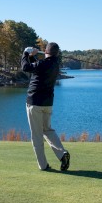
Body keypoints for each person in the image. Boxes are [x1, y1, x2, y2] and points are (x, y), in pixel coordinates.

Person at [21, 42, 70, 171]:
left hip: (34, 103)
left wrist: (26, 53)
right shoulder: (55, 65)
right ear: (57, 53)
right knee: (47, 130)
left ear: (46, 51)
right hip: (47, 104)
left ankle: (43, 165)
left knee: (37, 135)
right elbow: (35, 67)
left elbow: (26, 67)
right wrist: (33, 56)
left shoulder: (42, 64)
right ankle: (62, 153)